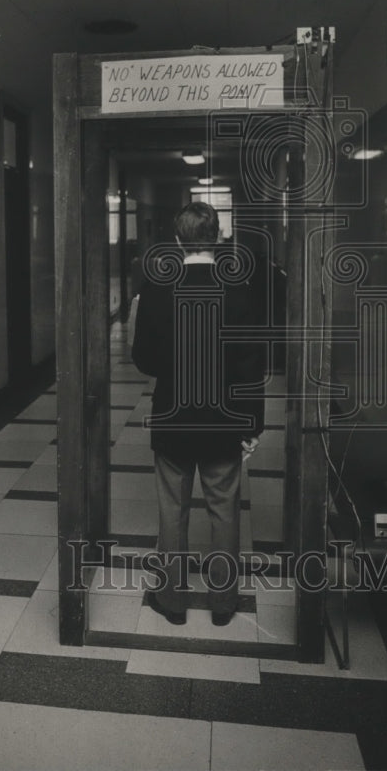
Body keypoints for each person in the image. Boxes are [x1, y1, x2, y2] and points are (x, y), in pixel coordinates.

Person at [132, 202, 265, 627]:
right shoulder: (240, 289)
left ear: (177, 241)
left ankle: (171, 601)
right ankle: (223, 605)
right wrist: (253, 424)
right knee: (225, 510)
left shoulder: (157, 289)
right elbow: (250, 365)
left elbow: (145, 361)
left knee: (172, 509)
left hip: (173, 415)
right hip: (224, 419)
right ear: (219, 236)